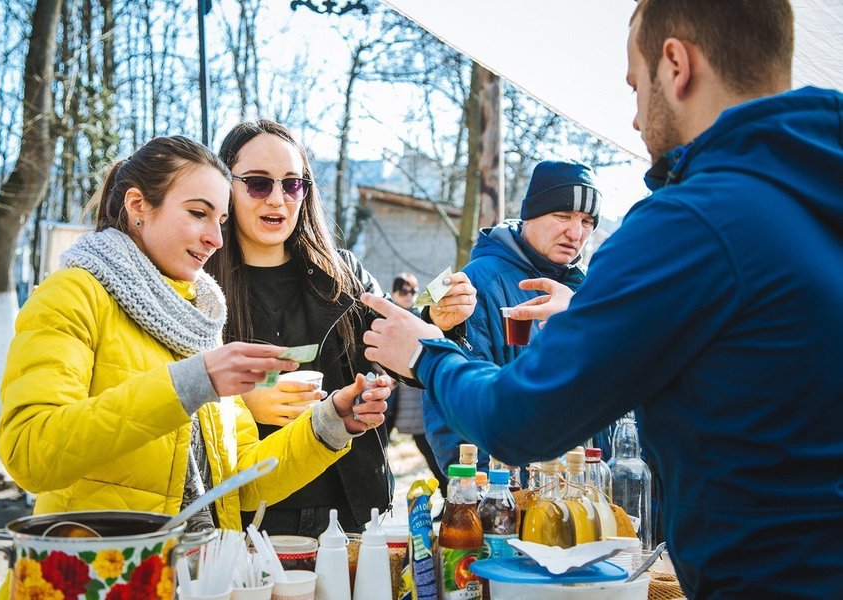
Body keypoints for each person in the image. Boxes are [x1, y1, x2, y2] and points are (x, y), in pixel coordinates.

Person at [358, 0, 843, 597]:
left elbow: (521, 420)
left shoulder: (690, 223)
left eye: (636, 86)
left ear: (675, 64)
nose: (637, 120)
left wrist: (426, 353)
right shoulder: (817, 190)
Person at [0, 136, 390, 541]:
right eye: (198, 213)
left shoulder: (198, 320)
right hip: (97, 573)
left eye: (220, 221)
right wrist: (189, 383)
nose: (216, 239)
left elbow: (238, 486)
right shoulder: (72, 295)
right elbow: (30, 453)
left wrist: (328, 425)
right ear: (138, 206)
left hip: (195, 574)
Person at [205, 119, 476, 536]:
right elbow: (173, 389)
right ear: (227, 187)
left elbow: (394, 352)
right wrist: (242, 402)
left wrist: (434, 322)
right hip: (248, 518)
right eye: (259, 183)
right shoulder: (202, 286)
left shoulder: (341, 273)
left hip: (351, 508)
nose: (278, 198)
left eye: (292, 184)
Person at [422, 160, 608, 476]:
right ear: (530, 215)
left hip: (586, 489)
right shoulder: (478, 283)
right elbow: (454, 403)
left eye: (587, 221)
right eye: (562, 215)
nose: (575, 232)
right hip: (513, 495)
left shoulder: (591, 288)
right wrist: (491, 492)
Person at [385, 273, 448, 493]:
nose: (409, 296)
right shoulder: (387, 317)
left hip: (414, 393)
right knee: (378, 443)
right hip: (390, 393)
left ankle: (448, 493)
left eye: (413, 291)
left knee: (427, 444)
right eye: (404, 291)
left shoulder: (420, 316)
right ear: (394, 293)